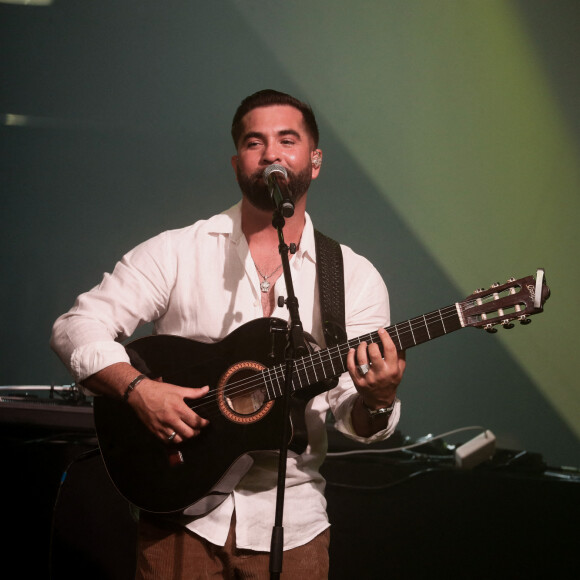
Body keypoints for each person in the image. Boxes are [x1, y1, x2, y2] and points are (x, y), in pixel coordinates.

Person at [51, 89, 406, 579]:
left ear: (315, 160)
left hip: (294, 525)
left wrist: (379, 398)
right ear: (238, 162)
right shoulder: (178, 251)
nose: (272, 153)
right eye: (254, 142)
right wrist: (139, 390)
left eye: (288, 140)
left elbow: (354, 416)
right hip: (179, 515)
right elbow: (76, 326)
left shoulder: (352, 276)